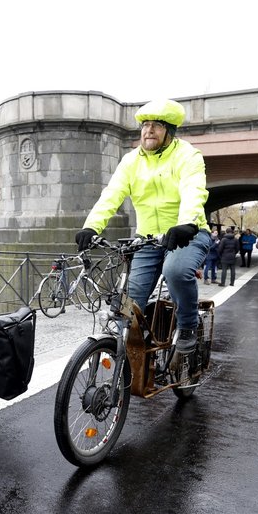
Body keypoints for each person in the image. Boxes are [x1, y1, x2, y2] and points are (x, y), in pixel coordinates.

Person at [74, 99, 210, 353]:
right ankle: (128, 351)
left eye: (156, 126)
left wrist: (187, 223)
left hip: (188, 234)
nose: (148, 131)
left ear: (170, 130)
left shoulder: (187, 155)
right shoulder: (131, 161)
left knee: (176, 271)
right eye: (145, 125)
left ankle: (189, 325)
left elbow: (193, 190)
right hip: (148, 238)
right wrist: (91, 227)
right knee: (130, 300)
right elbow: (112, 194)